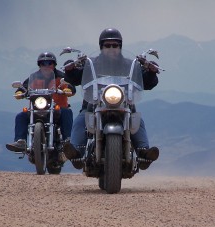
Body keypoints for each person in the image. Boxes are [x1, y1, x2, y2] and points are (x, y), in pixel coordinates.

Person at [63, 28, 160, 170]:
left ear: (120, 47)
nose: (111, 48)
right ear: (101, 47)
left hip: (124, 103)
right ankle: (77, 152)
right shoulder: (91, 64)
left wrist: (150, 72)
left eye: (115, 45)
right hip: (94, 103)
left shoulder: (129, 65)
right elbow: (76, 78)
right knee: (81, 119)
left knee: (136, 119)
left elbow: (147, 82)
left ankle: (143, 152)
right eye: (107, 45)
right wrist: (70, 70)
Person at [6, 52, 76, 152]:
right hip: (36, 108)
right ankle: (21, 141)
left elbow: (70, 86)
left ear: (54, 64)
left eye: (49, 63)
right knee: (21, 116)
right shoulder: (34, 77)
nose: (46, 66)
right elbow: (25, 86)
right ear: (39, 65)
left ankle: (67, 141)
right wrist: (20, 91)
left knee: (67, 112)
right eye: (43, 63)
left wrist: (68, 89)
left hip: (57, 108)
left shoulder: (61, 77)